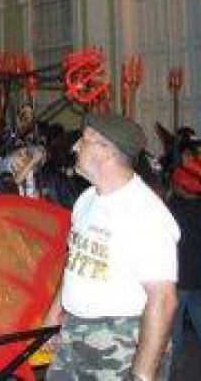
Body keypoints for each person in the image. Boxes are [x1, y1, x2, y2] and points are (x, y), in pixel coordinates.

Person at [44, 113, 179, 380]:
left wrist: (142, 375)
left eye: (84, 140)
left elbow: (163, 300)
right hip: (75, 332)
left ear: (105, 149)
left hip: (123, 339)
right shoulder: (86, 200)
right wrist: (54, 314)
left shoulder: (146, 214)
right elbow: (76, 260)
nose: (75, 147)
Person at [165, 143, 201, 373]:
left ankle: (173, 368)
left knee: (173, 329)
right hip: (198, 279)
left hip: (177, 279)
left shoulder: (170, 210)